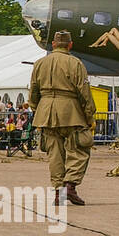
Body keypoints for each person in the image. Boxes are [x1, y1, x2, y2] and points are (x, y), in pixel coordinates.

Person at [29, 30, 97, 205]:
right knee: (80, 149)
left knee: (54, 154)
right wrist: (89, 115)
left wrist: (38, 111)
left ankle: (59, 192)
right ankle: (70, 186)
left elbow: (33, 92)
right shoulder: (75, 63)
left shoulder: (39, 63)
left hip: (46, 112)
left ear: (53, 44)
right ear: (70, 45)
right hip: (70, 112)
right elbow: (84, 92)